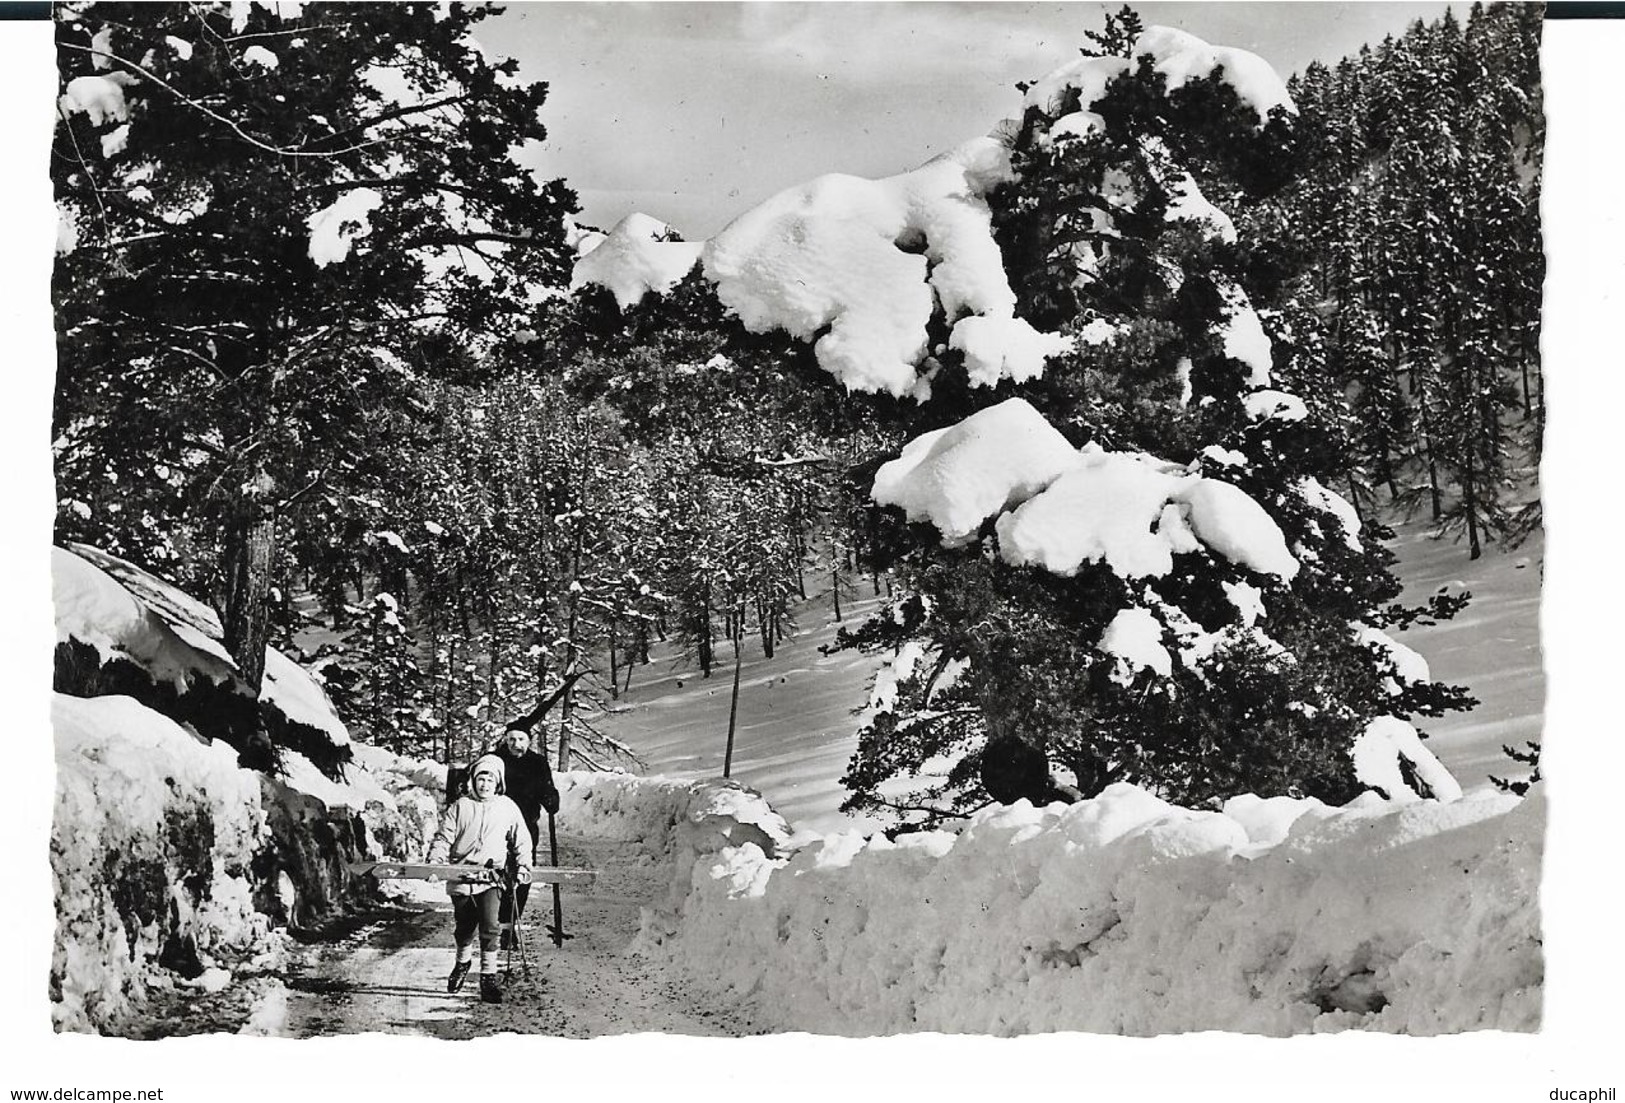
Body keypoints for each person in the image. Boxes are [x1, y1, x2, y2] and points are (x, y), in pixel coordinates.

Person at [426, 753, 532, 1003]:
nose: (485, 785)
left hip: (491, 877)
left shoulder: (507, 807)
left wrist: (524, 866)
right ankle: (462, 962)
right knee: (464, 927)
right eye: (481, 779)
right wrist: (435, 864)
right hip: (462, 876)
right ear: (473, 780)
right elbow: (444, 838)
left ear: (499, 784)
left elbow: (522, 839)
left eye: (490, 780)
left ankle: (488, 978)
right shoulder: (461, 806)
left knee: (490, 926)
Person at [491, 724, 561, 933]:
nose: (516, 744)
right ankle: (496, 921)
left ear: (529, 741)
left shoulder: (537, 763)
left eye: (521, 739)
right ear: (506, 739)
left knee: (522, 874)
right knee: (496, 873)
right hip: (495, 826)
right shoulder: (495, 760)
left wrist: (551, 798)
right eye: (512, 739)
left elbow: (546, 789)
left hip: (526, 827)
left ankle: (509, 924)